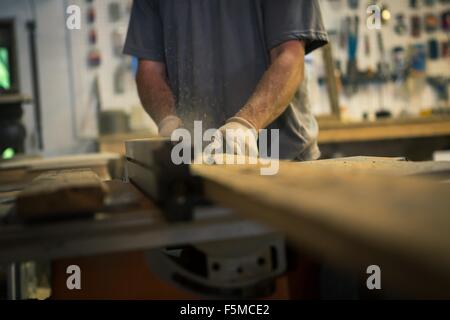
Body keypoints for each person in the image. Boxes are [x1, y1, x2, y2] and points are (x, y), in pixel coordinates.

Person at [124, 0, 328, 161]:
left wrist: (245, 124)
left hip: (281, 157)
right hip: (197, 161)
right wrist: (168, 121)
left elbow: (290, 56)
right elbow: (149, 69)